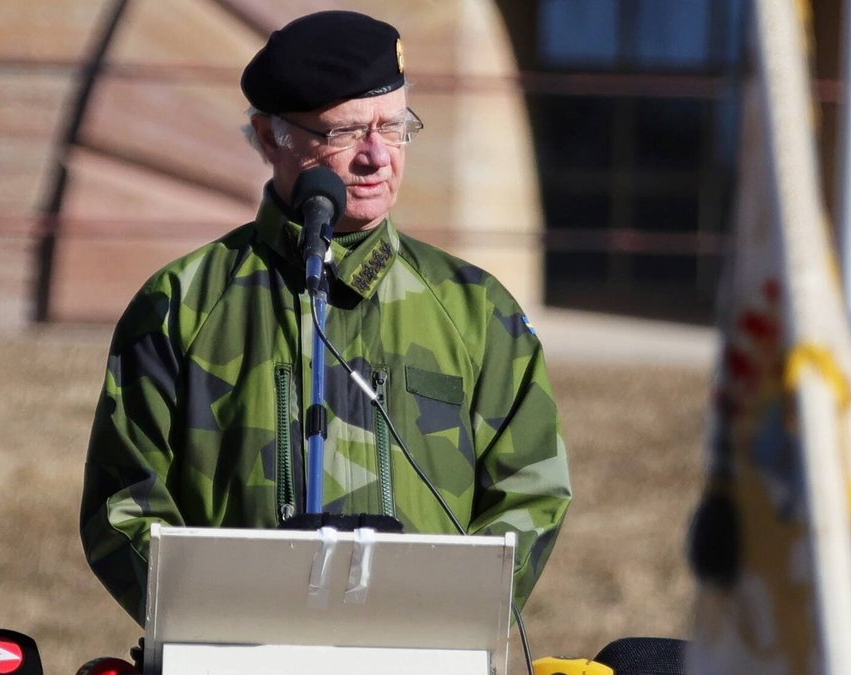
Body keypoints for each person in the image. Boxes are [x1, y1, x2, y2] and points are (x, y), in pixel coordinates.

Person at [80, 9, 571, 627]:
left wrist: (443, 622)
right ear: (269, 137)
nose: (377, 157)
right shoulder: (181, 305)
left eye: (394, 129)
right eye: (344, 134)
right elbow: (123, 505)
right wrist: (219, 631)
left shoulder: (477, 311)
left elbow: (532, 492)